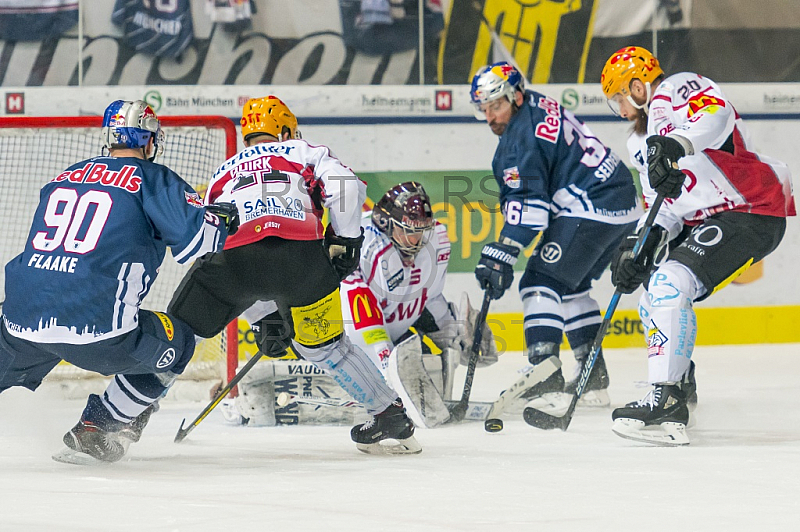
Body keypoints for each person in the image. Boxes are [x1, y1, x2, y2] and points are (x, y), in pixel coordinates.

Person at [167, 96, 421, 455]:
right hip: (302, 263)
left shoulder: (223, 172)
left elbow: (209, 236)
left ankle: (122, 417)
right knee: (326, 347)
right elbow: (346, 187)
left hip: (236, 265)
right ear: (284, 130)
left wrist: (264, 317)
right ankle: (388, 413)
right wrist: (346, 240)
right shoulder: (302, 151)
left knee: (174, 333)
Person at [0, 100, 237, 463]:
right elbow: (204, 242)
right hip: (100, 332)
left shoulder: (63, 176)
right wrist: (224, 220)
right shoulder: (153, 178)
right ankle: (100, 424)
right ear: (148, 141)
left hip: (18, 321)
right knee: (181, 340)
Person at [600, 46, 796, 445]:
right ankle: (679, 382)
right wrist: (640, 242)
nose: (619, 109)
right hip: (713, 217)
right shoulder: (639, 144)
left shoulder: (676, 87)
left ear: (638, 85)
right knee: (653, 296)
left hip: (752, 206)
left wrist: (677, 145)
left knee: (671, 283)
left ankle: (665, 401)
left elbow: (716, 114)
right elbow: (668, 206)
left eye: (620, 97)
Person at [469, 62, 641, 409]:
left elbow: (530, 208)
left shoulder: (520, 140)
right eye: (484, 109)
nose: (490, 117)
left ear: (516, 96)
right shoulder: (536, 105)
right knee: (571, 288)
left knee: (539, 284)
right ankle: (593, 379)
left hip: (591, 205)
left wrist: (505, 250)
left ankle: (544, 379)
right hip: (623, 202)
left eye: (496, 105)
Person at [339, 181, 499, 427]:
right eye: (408, 231)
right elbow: (362, 321)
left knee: (426, 363)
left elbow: (429, 298)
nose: (417, 240)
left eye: (422, 231)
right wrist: (387, 367)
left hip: (392, 330)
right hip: (345, 339)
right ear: (386, 225)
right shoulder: (362, 245)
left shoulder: (435, 242)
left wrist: (456, 337)